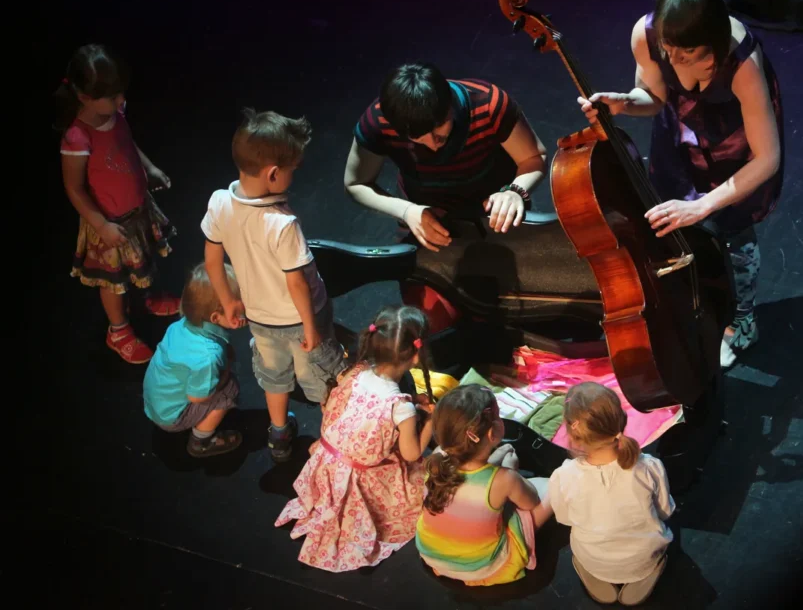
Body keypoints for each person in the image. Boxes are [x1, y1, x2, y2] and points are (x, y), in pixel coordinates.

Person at [579, 0, 784, 369]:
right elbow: (653, 99)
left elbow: (766, 157)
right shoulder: (648, 36)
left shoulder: (742, 66)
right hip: (681, 133)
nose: (672, 62)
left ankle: (743, 322)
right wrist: (623, 103)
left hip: (734, 139)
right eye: (668, 52)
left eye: (687, 54)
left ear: (714, 48)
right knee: (672, 212)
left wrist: (704, 205)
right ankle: (699, 297)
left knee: (731, 226)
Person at [344, 63, 549, 330]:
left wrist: (515, 191)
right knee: (431, 324)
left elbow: (535, 157)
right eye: (419, 139)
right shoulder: (379, 120)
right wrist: (407, 211)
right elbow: (355, 183)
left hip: (494, 215)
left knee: (525, 315)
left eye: (439, 134)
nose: (431, 145)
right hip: (428, 221)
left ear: (451, 106)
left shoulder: (489, 104)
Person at [201, 109, 347, 463]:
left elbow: (211, 261)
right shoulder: (282, 224)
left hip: (260, 319)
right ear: (273, 174)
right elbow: (296, 283)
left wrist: (228, 300)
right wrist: (311, 327)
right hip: (300, 320)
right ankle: (336, 443)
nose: (294, 176)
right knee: (321, 378)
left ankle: (279, 433)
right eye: (292, 171)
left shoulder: (220, 202)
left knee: (274, 376)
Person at [275, 305, 436, 572]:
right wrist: (431, 420)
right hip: (356, 478)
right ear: (416, 356)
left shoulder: (354, 373)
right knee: (419, 481)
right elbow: (411, 453)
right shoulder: (401, 408)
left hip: (326, 464)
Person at [57, 43, 179, 365]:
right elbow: (74, 187)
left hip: (138, 211)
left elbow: (128, 144)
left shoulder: (116, 113)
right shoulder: (77, 137)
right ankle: (118, 329)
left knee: (142, 261)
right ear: (84, 97)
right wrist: (101, 225)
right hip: (110, 224)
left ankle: (147, 298)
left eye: (121, 93)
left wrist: (149, 169)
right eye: (112, 96)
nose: (121, 101)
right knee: (114, 281)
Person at [548, 382, 675, 606]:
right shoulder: (650, 466)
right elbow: (665, 511)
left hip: (594, 558)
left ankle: (598, 571)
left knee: (582, 544)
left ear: (573, 435)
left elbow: (565, 519)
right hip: (643, 557)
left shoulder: (563, 475)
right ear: (622, 421)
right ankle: (647, 569)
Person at [415, 384, 552, 586]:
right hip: (480, 567)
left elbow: (468, 481)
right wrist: (511, 471)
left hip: (431, 553)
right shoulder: (504, 479)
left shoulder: (435, 460)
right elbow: (531, 503)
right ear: (491, 433)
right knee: (551, 489)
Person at [142, 263, 243, 458]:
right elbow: (198, 397)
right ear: (215, 316)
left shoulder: (179, 326)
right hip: (171, 418)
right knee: (229, 390)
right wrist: (226, 373)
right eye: (237, 304)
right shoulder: (207, 357)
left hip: (156, 403)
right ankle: (201, 441)